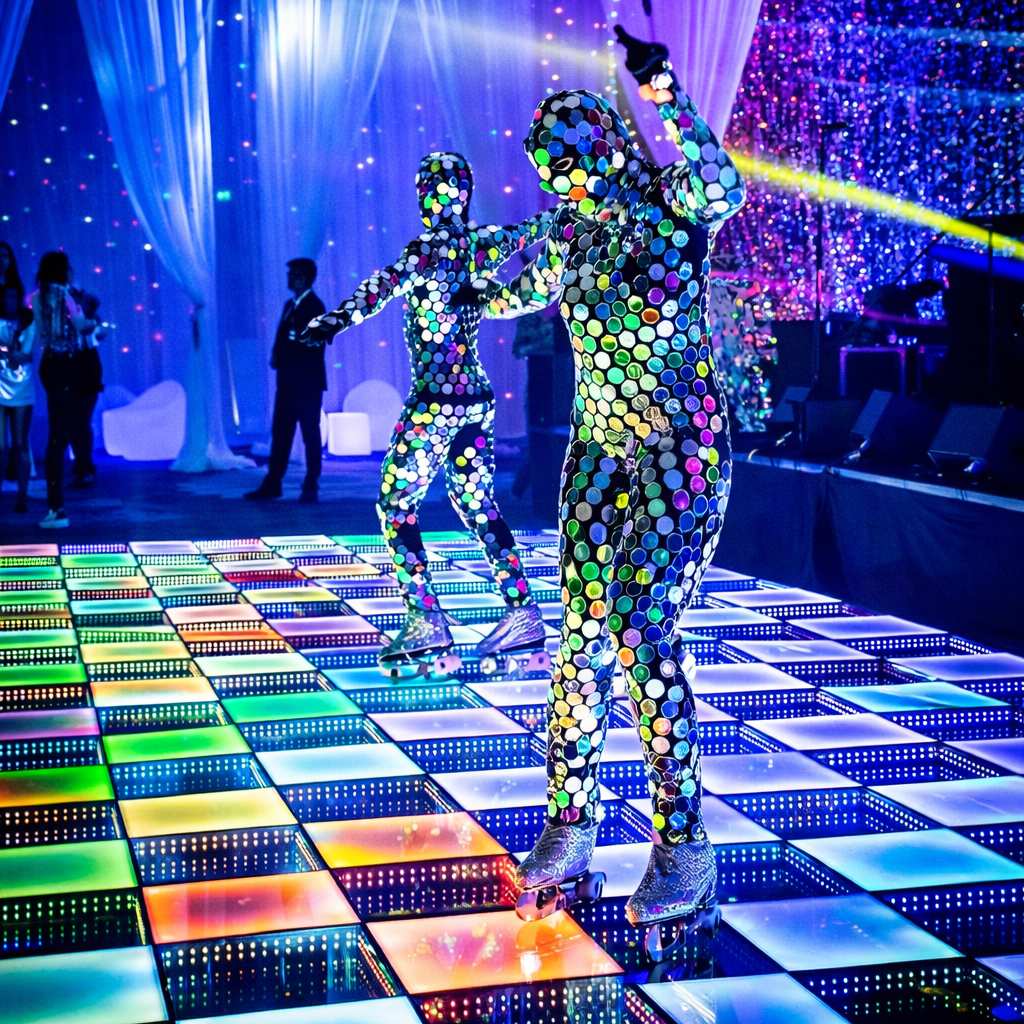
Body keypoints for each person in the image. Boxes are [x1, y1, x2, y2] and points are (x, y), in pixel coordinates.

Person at [471, 28, 745, 953]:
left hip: (681, 441)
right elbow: (513, 285)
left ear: (608, 147)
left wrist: (663, 85)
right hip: (599, 452)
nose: (567, 187)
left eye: (575, 168)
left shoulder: (674, 206)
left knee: (638, 627)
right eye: (553, 177)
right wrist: (465, 286)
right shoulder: (570, 235)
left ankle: (684, 841)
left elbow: (724, 182)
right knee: (577, 640)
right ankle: (573, 817)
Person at [301, 152, 551, 674]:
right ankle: (522, 612)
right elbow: (535, 227)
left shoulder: (424, 253)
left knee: (396, 506)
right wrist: (571, 216)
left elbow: (379, 288)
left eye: (432, 189)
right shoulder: (484, 243)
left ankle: (425, 619)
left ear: (428, 196)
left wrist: (334, 322)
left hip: (437, 401)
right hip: (475, 401)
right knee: (480, 508)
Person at [246, 258, 327, 504]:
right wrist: (276, 354)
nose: (289, 278)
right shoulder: (289, 305)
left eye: (293, 274)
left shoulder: (315, 307)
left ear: (304, 278)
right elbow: (283, 337)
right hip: (288, 381)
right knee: (281, 432)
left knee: (309, 433)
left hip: (307, 382)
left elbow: (314, 343)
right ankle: (273, 482)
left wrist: (291, 347)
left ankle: (311, 483)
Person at [31, 251, 96, 529]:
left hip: (48, 366)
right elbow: (81, 327)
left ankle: (54, 505)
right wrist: (91, 322)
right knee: (60, 435)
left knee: (57, 435)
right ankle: (57, 509)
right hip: (67, 366)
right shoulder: (67, 296)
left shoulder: (35, 297)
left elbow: (41, 335)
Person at [0, 244, 34, 514]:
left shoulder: (28, 320)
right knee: (1, 444)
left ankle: (22, 495)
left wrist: (16, 352)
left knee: (20, 442)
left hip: (20, 383)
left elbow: (28, 354)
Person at [68, 285, 105, 488]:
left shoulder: (91, 321)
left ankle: (85, 466)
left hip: (88, 369)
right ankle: (82, 466)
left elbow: (95, 335)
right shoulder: (68, 321)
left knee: (83, 421)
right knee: (76, 423)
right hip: (72, 368)